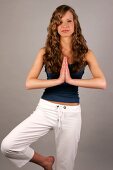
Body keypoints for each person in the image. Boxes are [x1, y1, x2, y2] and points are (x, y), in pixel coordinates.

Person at [1, 4, 107, 170]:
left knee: (65, 167)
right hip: (46, 109)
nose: (64, 25)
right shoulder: (45, 52)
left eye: (68, 21)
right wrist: (58, 81)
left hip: (71, 114)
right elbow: (29, 82)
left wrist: (71, 81)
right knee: (8, 145)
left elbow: (101, 82)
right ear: (54, 26)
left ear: (75, 24)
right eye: (59, 22)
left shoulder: (86, 53)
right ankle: (44, 161)